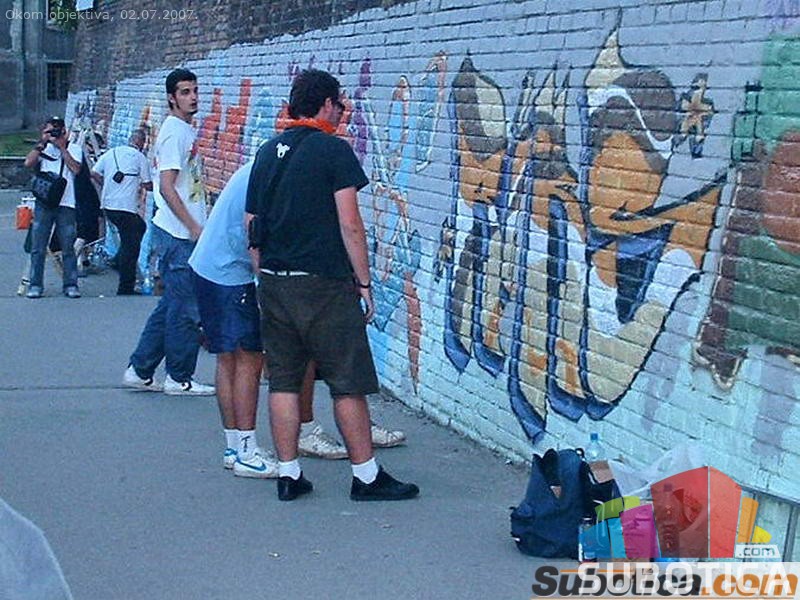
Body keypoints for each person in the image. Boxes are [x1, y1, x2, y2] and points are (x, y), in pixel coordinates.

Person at [245, 69, 419, 502]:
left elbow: (252, 224)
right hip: (324, 284)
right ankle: (366, 476)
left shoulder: (267, 152)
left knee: (284, 382)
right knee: (347, 381)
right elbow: (350, 223)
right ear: (325, 104)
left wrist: (265, 275)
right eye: (340, 103)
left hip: (275, 282)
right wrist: (364, 282)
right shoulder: (333, 151)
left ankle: (289, 475)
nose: (343, 110)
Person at [122, 68, 214, 396]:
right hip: (178, 235)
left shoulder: (183, 130)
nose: (193, 97)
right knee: (187, 309)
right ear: (172, 98)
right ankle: (179, 378)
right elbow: (166, 186)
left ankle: (140, 370)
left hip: (177, 232)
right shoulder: (175, 133)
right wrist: (192, 226)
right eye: (185, 92)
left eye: (195, 90)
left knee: (171, 306)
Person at [188, 160, 278, 478]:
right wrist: (267, 287)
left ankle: (235, 446)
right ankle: (247, 453)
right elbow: (255, 236)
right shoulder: (271, 174)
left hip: (209, 266)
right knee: (249, 359)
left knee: (228, 359)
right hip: (228, 274)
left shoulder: (260, 165)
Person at [24, 116, 83, 299]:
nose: (54, 134)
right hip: (44, 203)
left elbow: (76, 169)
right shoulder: (43, 149)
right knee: (38, 247)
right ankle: (35, 285)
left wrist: (63, 147)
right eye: (51, 131)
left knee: (68, 246)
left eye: (57, 130)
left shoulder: (74, 148)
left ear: (64, 131)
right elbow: (28, 163)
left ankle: (70, 284)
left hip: (66, 203)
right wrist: (42, 142)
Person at [92, 129, 152, 295]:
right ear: (142, 142)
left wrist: (105, 185)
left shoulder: (111, 153)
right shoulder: (139, 157)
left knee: (140, 227)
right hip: (125, 208)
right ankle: (125, 287)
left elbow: (94, 172)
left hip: (108, 206)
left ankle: (118, 260)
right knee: (131, 247)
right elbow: (148, 184)